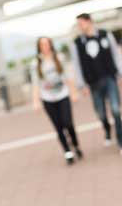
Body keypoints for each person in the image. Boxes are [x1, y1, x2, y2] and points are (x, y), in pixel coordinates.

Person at [71, 13, 122, 156]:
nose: (80, 27)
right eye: (78, 25)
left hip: (109, 78)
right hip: (93, 83)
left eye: (81, 23)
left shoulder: (105, 35)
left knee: (116, 110)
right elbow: (77, 65)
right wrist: (81, 85)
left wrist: (121, 75)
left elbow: (116, 55)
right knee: (101, 113)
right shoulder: (77, 43)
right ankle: (107, 129)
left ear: (89, 22)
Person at [32, 37, 83, 165]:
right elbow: (35, 83)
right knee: (58, 127)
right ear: (39, 47)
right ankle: (67, 152)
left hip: (63, 95)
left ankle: (75, 144)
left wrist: (73, 92)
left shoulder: (59, 58)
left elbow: (68, 76)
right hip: (48, 98)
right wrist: (36, 101)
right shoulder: (36, 63)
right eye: (42, 44)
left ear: (50, 45)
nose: (45, 46)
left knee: (68, 122)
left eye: (47, 44)